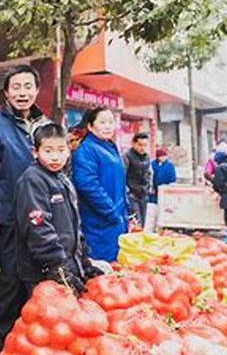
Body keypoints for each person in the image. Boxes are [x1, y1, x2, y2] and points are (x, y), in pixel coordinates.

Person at [0, 64, 48, 355]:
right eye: (16, 87)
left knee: (37, 281)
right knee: (11, 280)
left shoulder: (46, 124)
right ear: (6, 92)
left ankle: (26, 346)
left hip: (42, 218)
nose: (22, 92)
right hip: (9, 216)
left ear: (36, 90)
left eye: (28, 86)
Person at [15, 123, 100, 300]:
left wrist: (84, 261)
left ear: (69, 151)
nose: (55, 157)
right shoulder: (32, 180)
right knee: (48, 320)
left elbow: (74, 226)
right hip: (43, 271)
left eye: (61, 150)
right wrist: (56, 266)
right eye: (48, 151)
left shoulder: (64, 180)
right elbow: (38, 228)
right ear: (35, 152)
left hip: (67, 264)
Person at [71, 107, 128, 262]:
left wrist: (126, 210)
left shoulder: (110, 146)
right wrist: (111, 212)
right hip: (99, 220)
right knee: (101, 268)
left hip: (116, 218)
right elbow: (88, 185)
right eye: (102, 122)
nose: (108, 126)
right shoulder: (86, 150)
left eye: (111, 122)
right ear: (90, 126)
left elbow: (120, 182)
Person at [123, 132, 151, 228]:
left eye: (145, 145)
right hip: (132, 195)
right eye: (140, 145)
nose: (142, 148)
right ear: (133, 143)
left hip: (143, 194)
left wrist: (148, 188)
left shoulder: (147, 157)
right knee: (136, 222)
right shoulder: (127, 157)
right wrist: (127, 192)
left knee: (143, 223)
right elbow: (122, 175)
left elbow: (148, 173)